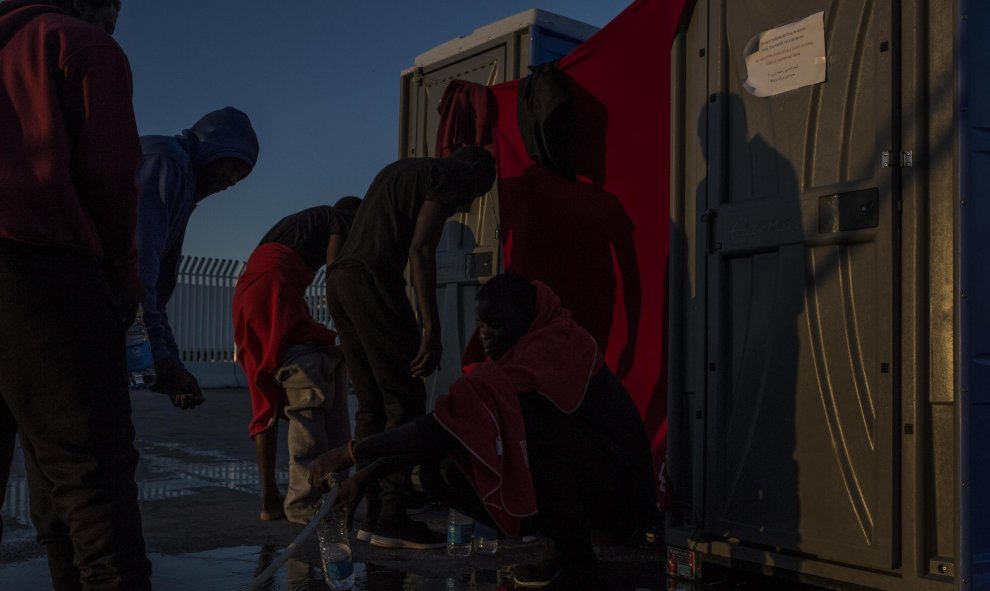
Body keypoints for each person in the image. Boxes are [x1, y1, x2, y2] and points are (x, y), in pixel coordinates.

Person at [311, 274, 658, 589]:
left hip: (621, 498)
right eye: (482, 324)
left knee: (532, 441)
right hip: (592, 487)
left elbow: (437, 428)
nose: (486, 334)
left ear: (527, 319)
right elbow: (449, 429)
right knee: (442, 471)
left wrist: (349, 454)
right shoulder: (523, 353)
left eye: (497, 324)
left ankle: (581, 564)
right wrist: (363, 477)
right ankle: (560, 548)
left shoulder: (555, 348)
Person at [0, 0, 152, 588]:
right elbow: (111, 178)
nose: (113, 22)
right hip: (41, 269)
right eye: (110, 9)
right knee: (93, 476)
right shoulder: (78, 45)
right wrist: (121, 277)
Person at [325, 146, 496, 548]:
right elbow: (420, 250)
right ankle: (391, 517)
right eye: (476, 193)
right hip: (373, 282)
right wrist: (431, 328)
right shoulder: (445, 176)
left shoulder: (402, 169)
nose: (467, 205)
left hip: (341, 282)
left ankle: (369, 513)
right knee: (405, 401)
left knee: (372, 406)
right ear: (472, 173)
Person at [232, 197, 361, 524]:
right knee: (316, 361)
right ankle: (306, 500)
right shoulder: (339, 220)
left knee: (264, 399)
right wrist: (348, 329)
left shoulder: (303, 223)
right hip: (274, 291)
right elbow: (336, 275)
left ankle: (269, 501)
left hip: (248, 295)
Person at [136, 106, 259, 410]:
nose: (231, 181)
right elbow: (137, 270)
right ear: (213, 147)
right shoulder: (167, 163)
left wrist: (170, 363)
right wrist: (162, 361)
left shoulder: (182, 184)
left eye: (240, 177)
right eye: (232, 166)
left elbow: (156, 293)